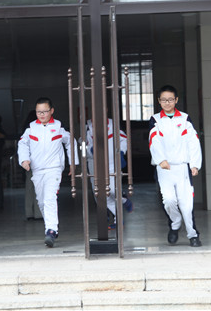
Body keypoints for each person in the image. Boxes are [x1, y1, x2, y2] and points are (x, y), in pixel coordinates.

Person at [18, 97, 78, 247]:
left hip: (54, 169)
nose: (42, 115)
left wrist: (73, 163)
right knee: (41, 201)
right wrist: (24, 160)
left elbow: (70, 142)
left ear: (51, 111)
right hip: (37, 170)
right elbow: (22, 144)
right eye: (39, 112)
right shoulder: (31, 128)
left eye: (45, 111)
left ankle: (51, 230)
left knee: (50, 198)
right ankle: (52, 227)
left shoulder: (58, 127)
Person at [148, 85, 202, 247]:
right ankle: (175, 223)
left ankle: (193, 235)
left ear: (176, 100)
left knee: (186, 204)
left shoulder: (185, 119)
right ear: (159, 101)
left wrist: (195, 164)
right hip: (164, 168)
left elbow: (193, 142)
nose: (167, 103)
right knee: (169, 200)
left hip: (182, 167)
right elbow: (154, 140)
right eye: (164, 100)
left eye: (170, 99)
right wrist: (161, 159)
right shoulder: (155, 119)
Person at [85, 118, 133, 229]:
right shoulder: (89, 128)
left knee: (112, 190)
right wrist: (92, 151)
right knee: (101, 195)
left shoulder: (113, 125)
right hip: (97, 164)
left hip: (113, 164)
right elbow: (86, 145)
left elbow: (124, 139)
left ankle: (124, 201)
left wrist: (121, 152)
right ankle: (119, 218)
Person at [22, 110, 42, 221]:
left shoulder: (26, 130)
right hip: (39, 162)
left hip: (28, 162)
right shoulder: (40, 129)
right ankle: (38, 213)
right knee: (39, 188)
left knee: (29, 188)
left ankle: (29, 212)